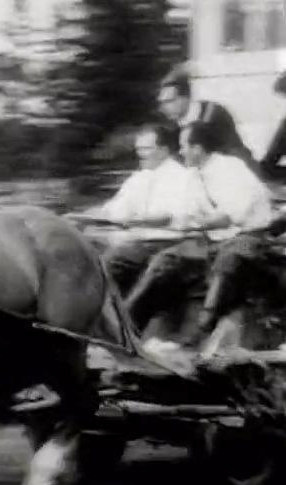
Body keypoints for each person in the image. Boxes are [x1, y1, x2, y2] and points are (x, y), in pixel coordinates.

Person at [125, 121, 274, 335]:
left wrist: (193, 224)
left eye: (184, 146)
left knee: (227, 262)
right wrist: (177, 221)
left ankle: (202, 332)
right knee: (166, 261)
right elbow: (183, 212)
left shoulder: (231, 168)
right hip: (212, 240)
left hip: (248, 237)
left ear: (198, 148)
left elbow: (229, 216)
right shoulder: (193, 175)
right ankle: (126, 328)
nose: (181, 152)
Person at [96, 122, 215, 294]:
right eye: (138, 149)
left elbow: (175, 217)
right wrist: (91, 217)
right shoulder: (139, 178)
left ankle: (114, 313)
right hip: (140, 241)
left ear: (164, 150)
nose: (140, 154)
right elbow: (116, 207)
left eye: (146, 149)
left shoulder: (184, 177)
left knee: (112, 261)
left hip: (168, 243)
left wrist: (134, 221)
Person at [158, 64, 257, 169]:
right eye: (161, 103)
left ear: (186, 97)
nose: (163, 108)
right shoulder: (170, 126)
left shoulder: (214, 114)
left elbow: (235, 152)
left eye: (169, 101)